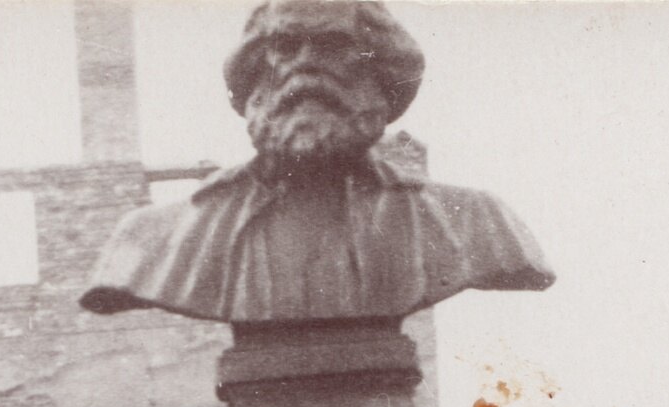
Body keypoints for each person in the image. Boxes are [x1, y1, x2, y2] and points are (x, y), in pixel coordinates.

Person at [79, 0, 553, 326]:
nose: (304, 66)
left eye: (331, 45)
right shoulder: (151, 240)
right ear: (254, 68)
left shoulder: (476, 221)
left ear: (379, 66)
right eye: (285, 46)